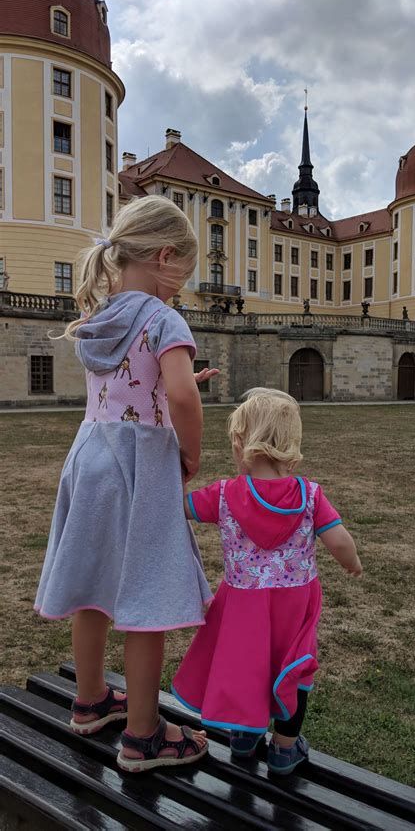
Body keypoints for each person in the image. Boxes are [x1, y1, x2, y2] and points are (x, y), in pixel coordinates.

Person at [35, 195, 219, 772]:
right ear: (164, 256)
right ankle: (143, 735)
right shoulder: (164, 318)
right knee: (149, 590)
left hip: (90, 456)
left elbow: (128, 390)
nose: (178, 290)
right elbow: (182, 396)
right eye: (180, 277)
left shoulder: (100, 316)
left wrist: (171, 386)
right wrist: (190, 452)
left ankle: (90, 701)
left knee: (92, 583)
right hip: (141, 464)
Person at [172, 388, 362, 775]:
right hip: (295, 604)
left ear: (240, 443)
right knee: (294, 668)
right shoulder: (310, 495)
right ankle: (284, 750)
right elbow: (339, 540)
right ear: (291, 444)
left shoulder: (223, 494)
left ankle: (244, 738)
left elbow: (179, 507)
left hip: (241, 604)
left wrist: (176, 473)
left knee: (248, 667)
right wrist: (352, 563)